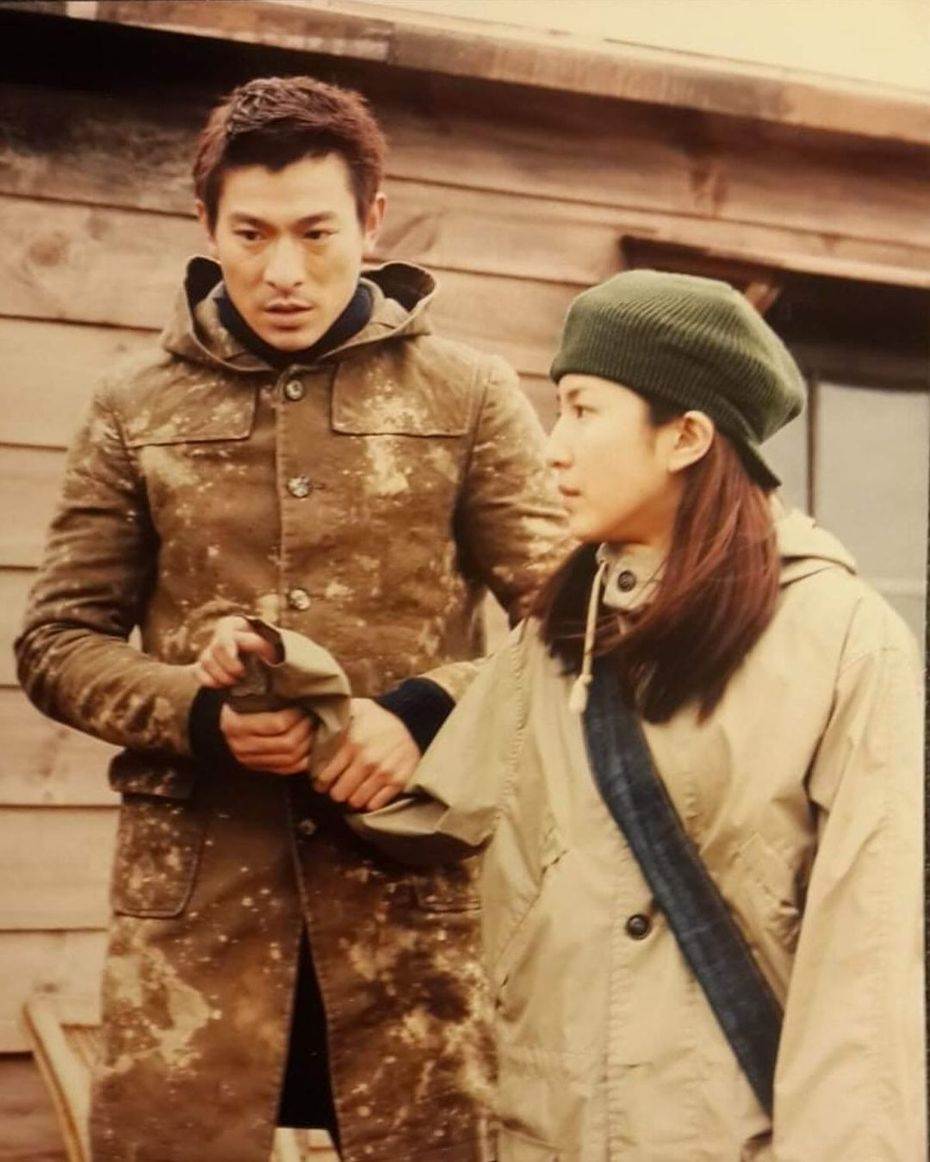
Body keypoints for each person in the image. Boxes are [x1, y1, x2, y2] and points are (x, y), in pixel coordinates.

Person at [15, 75, 568, 1161]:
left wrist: (427, 711)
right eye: (251, 234)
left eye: (316, 233)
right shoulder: (134, 404)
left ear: (371, 221)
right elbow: (55, 643)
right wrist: (197, 712)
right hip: (197, 924)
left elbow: (572, 626)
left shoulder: (467, 394)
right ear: (206, 225)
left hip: (412, 914)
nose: (283, 271)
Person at [336, 271, 925, 1159]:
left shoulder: (846, 642)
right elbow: (428, 794)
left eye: (583, 410)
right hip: (553, 1137)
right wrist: (293, 695)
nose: (554, 448)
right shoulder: (558, 636)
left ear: (686, 436)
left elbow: (863, 976)